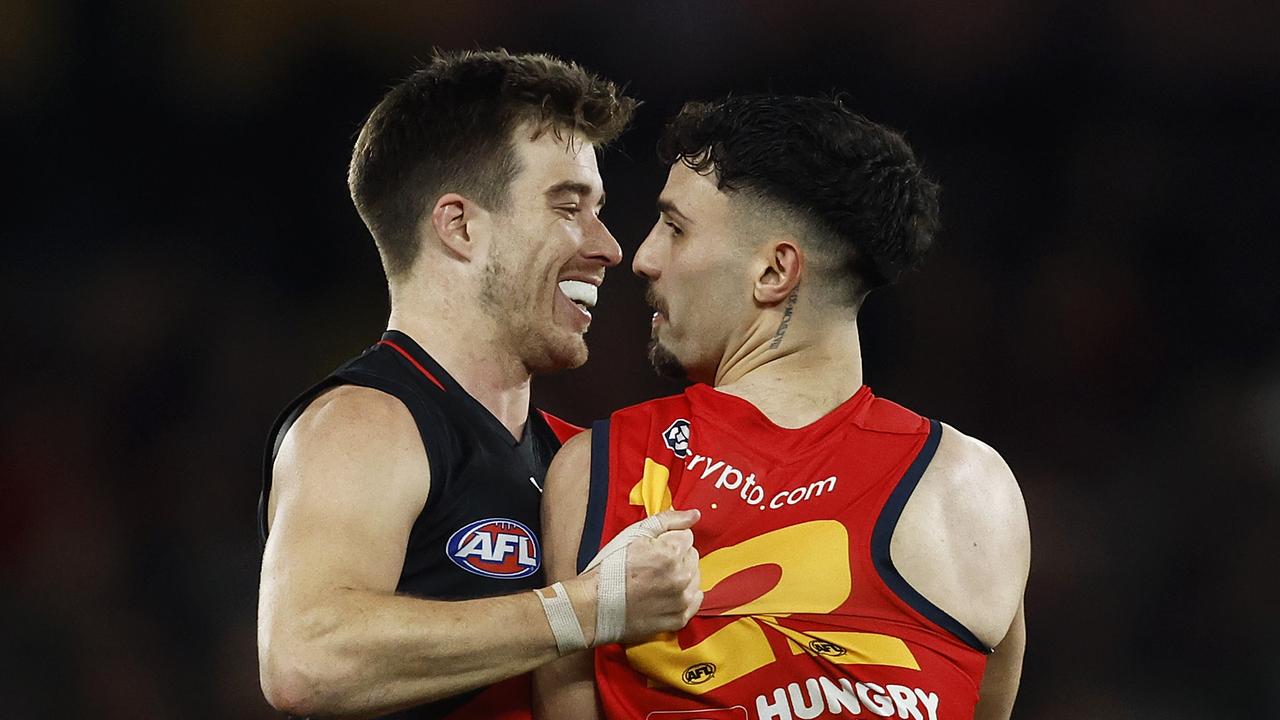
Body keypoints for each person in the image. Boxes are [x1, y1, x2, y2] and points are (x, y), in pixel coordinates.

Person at [533, 95, 1031, 720]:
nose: (644, 258)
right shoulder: (972, 489)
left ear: (774, 271)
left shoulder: (607, 468)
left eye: (676, 228)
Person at [257, 50, 703, 720]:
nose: (609, 245)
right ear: (460, 226)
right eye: (568, 206)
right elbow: (308, 658)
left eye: (598, 208)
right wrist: (589, 608)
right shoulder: (366, 423)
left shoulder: (576, 459)